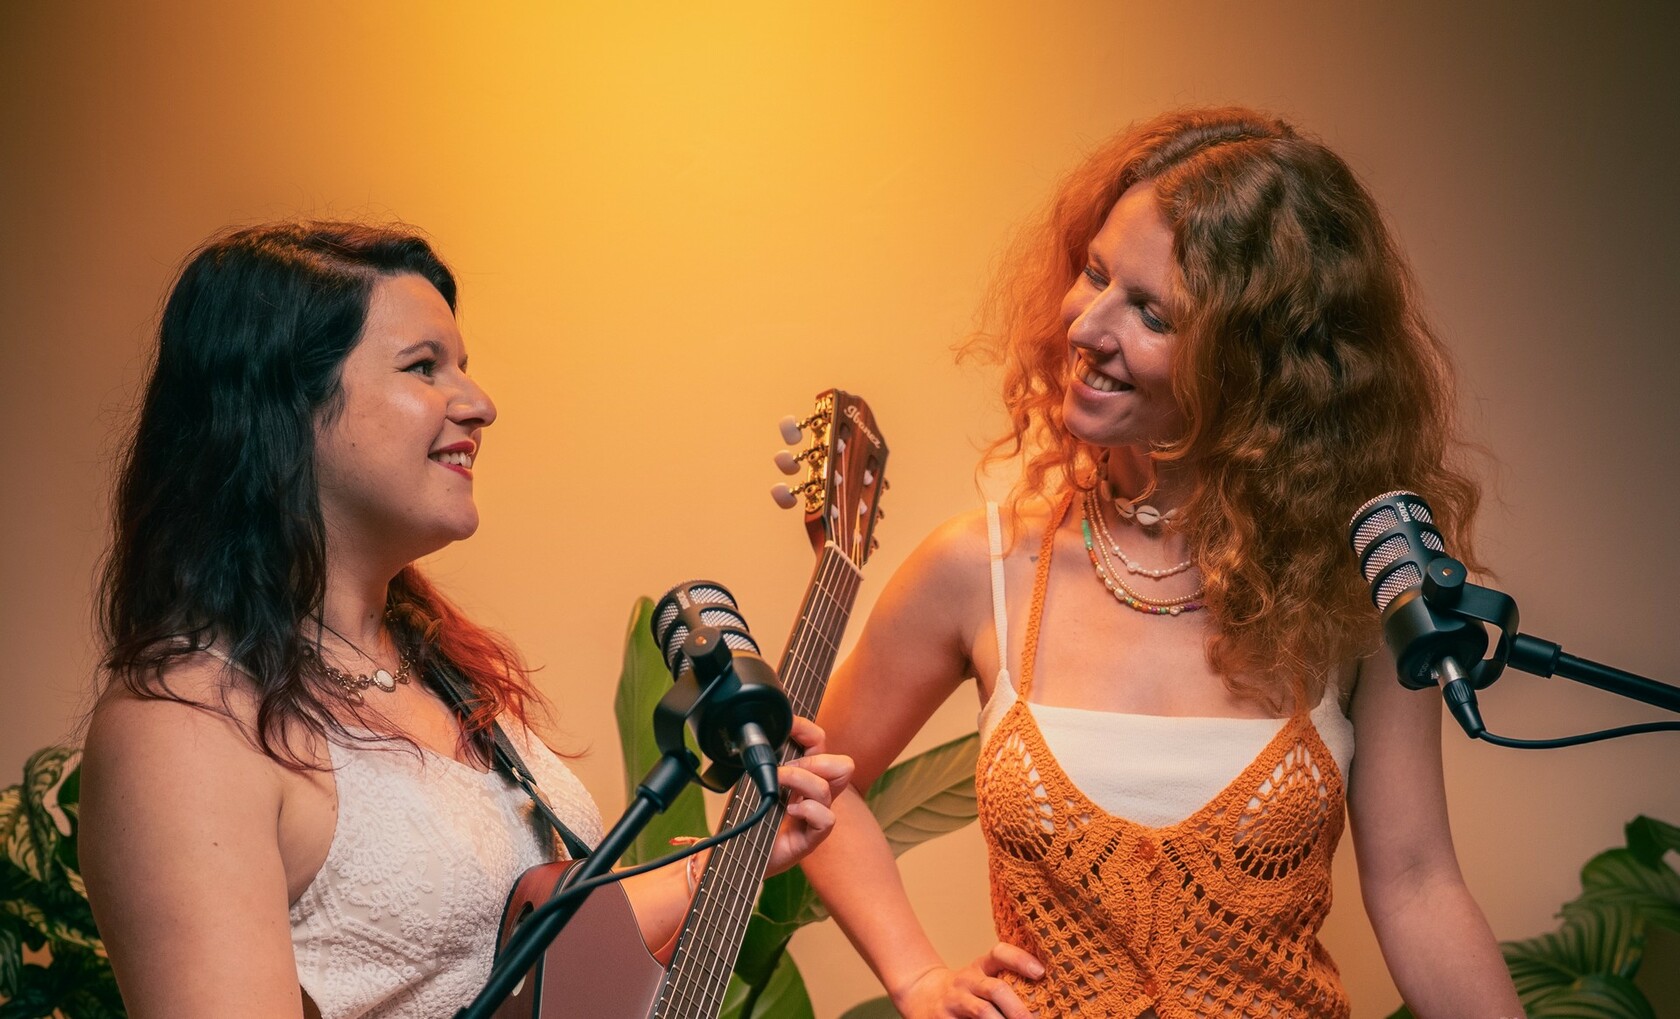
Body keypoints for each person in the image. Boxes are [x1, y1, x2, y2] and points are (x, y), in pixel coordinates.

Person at [798, 108, 1524, 1018]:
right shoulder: (979, 567)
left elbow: (1418, 883)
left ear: (1257, 368)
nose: (1087, 326)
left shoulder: (1356, 587)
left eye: (1152, 312)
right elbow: (804, 779)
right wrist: (917, 976)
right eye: (1095, 273)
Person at [77, 221, 853, 1019]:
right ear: (282, 406)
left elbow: (523, 964)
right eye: (423, 367)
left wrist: (723, 864)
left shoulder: (438, 667)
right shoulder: (184, 727)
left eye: (463, 367)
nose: (480, 406)